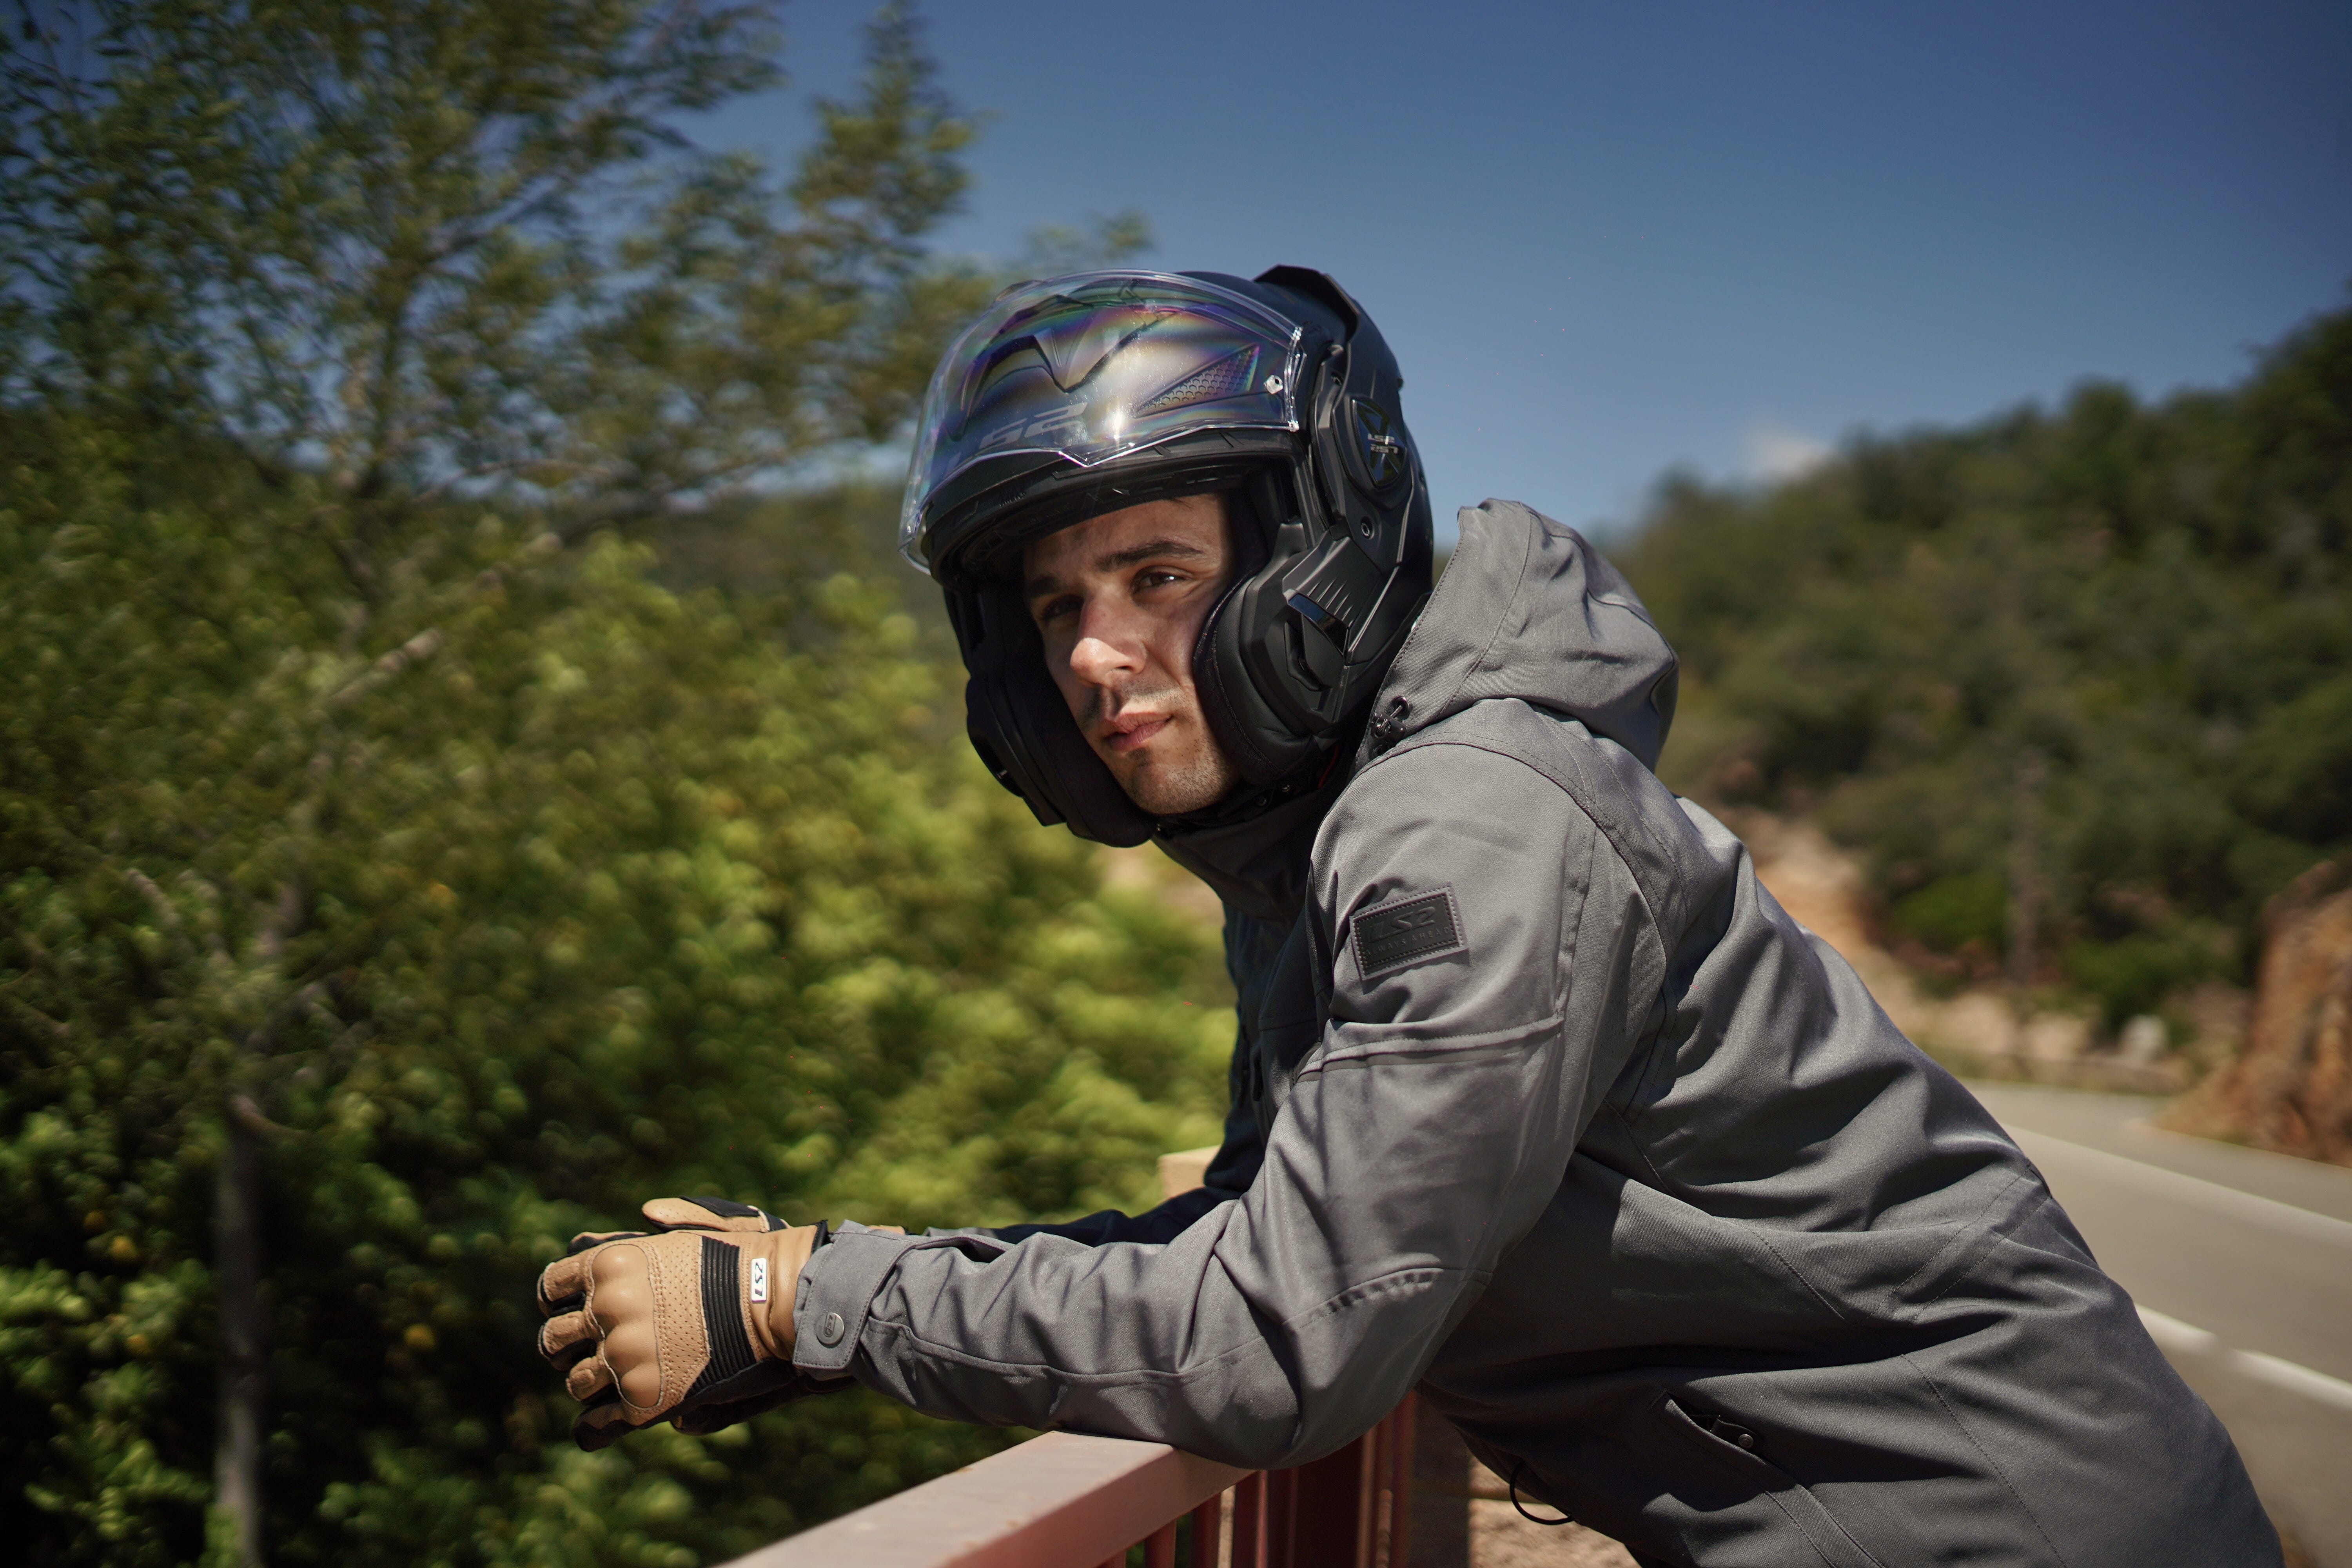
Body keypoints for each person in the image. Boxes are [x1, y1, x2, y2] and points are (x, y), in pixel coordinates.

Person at [536, 269, 2281, 1566]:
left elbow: (1280, 1337)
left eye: (1157, 576)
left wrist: (814, 1300)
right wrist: (823, 1294)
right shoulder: (1323, 849)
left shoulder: (1468, 823)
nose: (1095, 654)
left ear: (1313, 557)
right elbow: (1264, 1235)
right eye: (1057, 605)